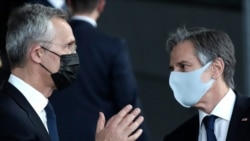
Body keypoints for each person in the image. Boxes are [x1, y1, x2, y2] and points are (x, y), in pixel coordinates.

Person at [0, 4, 144, 141]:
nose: (74, 54)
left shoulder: (39, 109)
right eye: (68, 46)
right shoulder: (9, 118)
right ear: (38, 54)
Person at [50, 0, 150, 141]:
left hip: (51, 132)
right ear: (101, 5)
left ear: (68, 3)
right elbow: (129, 105)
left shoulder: (49, 43)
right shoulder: (112, 47)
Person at [163, 26, 250, 141]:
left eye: (183, 66)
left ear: (216, 68)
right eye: (172, 70)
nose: (174, 77)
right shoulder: (176, 137)